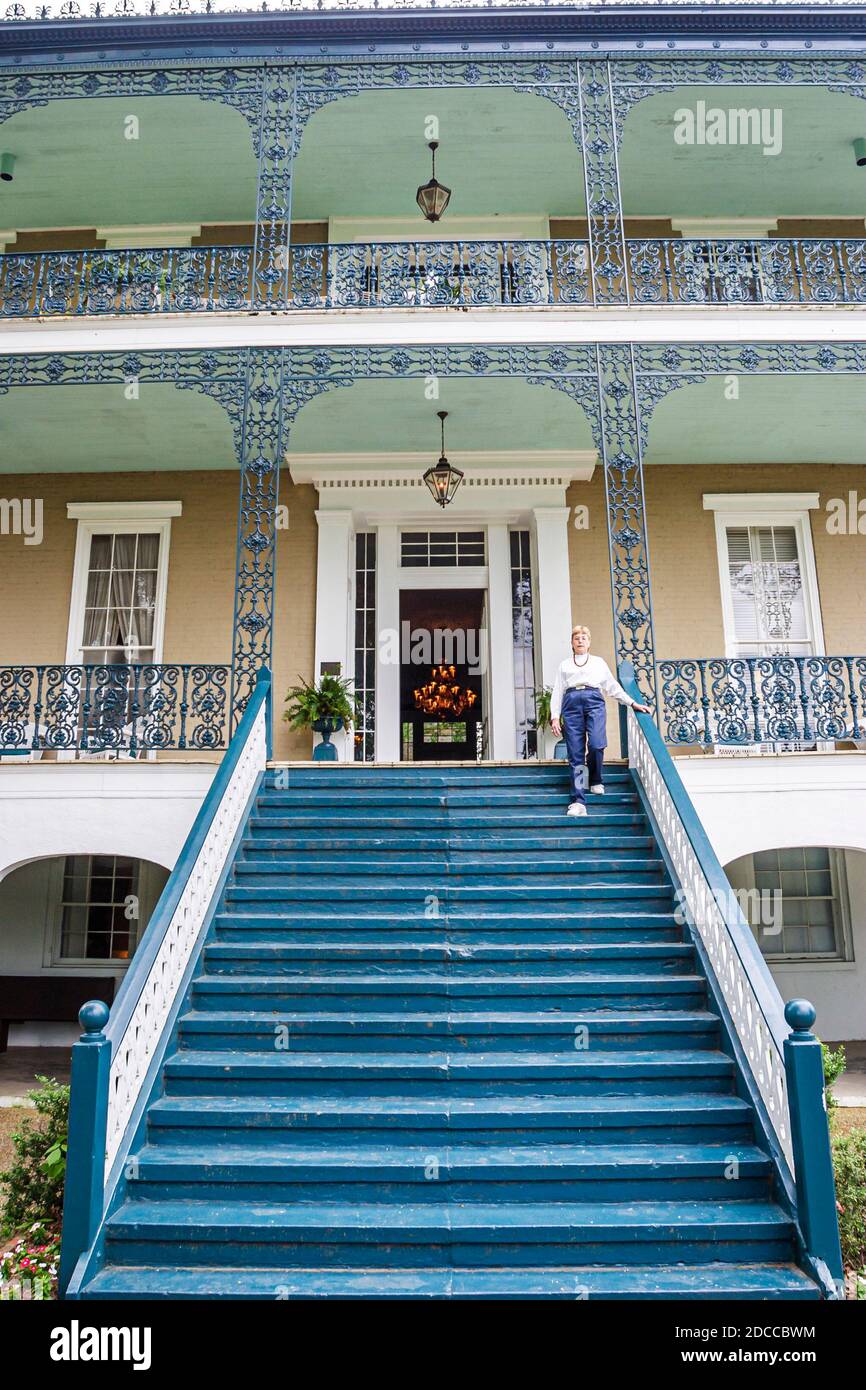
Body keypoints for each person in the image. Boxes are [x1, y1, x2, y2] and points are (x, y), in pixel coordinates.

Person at [550, 624, 652, 818]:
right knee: (575, 753)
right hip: (571, 703)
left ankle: (595, 777)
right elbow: (557, 692)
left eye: (583, 637)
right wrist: (555, 716)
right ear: (572, 643)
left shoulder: (598, 662)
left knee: (597, 744)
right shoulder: (564, 665)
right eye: (576, 637)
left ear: (589, 642)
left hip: (594, 701)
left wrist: (632, 703)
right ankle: (578, 801)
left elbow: (612, 686)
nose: (580, 640)